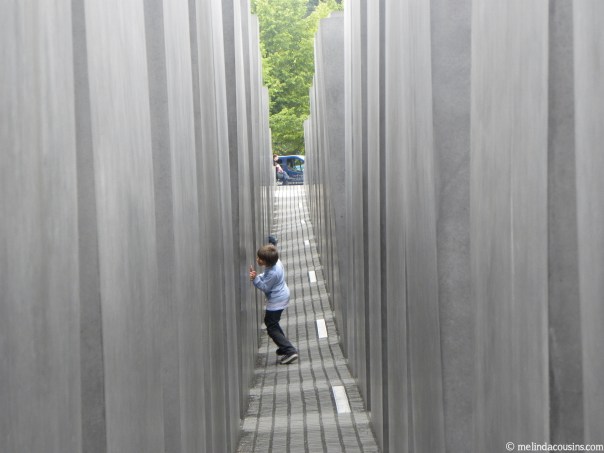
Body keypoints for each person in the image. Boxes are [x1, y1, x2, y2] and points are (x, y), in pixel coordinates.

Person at [249, 244, 298, 364]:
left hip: (277, 300)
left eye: (260, 259)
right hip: (281, 296)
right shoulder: (276, 263)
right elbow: (266, 277)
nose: (257, 260)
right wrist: (259, 276)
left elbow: (265, 286)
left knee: (271, 326)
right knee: (273, 324)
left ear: (268, 262)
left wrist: (255, 279)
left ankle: (289, 350)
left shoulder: (272, 273)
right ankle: (284, 347)